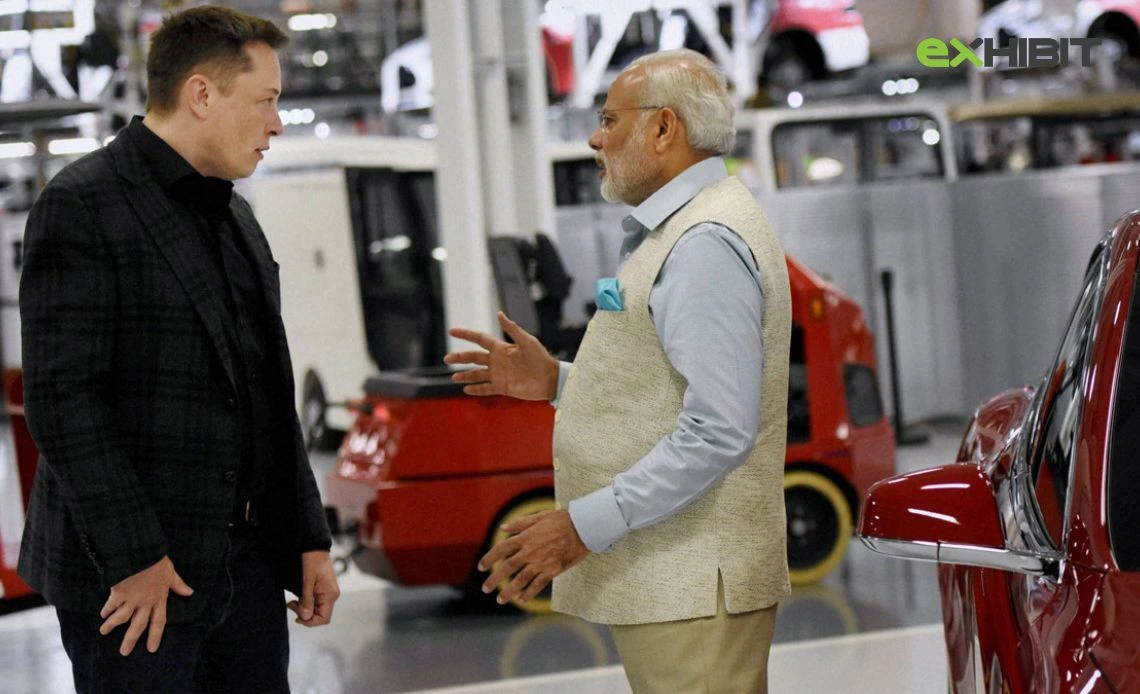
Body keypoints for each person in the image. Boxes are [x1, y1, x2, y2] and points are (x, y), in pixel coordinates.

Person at [445, 48, 791, 693]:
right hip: (676, 582)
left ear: (664, 129)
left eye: (609, 119)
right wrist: (556, 382)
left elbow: (719, 428)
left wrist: (583, 524)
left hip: (694, 586)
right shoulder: (682, 230)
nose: (594, 137)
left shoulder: (704, 243)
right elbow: (666, 391)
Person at [18, 6, 338, 692]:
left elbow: (267, 392)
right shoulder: (83, 205)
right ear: (201, 94)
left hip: (245, 571)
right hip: (137, 582)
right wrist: (136, 556)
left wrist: (306, 537)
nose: (276, 123)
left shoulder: (237, 218)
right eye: (266, 101)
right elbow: (62, 401)